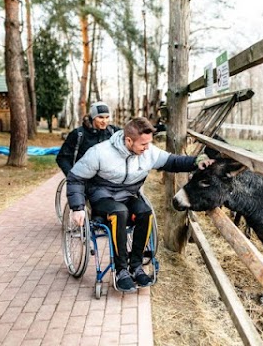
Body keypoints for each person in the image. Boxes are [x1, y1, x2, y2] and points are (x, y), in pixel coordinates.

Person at [66, 117, 214, 292]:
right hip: (102, 197)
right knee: (119, 212)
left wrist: (197, 161)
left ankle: (135, 267)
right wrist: (77, 207)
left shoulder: (148, 151)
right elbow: (75, 178)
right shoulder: (99, 153)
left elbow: (173, 161)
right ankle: (121, 271)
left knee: (145, 212)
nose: (147, 148)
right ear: (128, 140)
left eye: (149, 143)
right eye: (143, 144)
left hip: (128, 194)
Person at [56, 101, 121, 176]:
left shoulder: (113, 132)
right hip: (84, 178)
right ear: (93, 117)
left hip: (107, 179)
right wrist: (72, 176)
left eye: (107, 117)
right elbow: (62, 158)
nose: (104, 121)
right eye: (100, 117)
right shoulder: (78, 134)